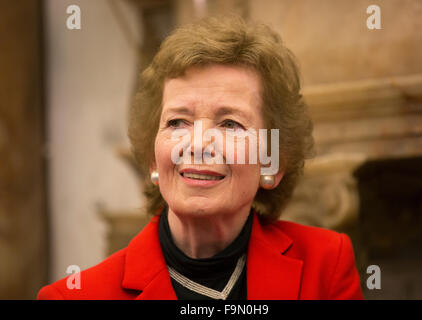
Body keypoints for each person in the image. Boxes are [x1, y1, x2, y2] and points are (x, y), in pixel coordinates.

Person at [38, 16, 363, 300]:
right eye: (178, 122)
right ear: (154, 159)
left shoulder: (326, 266)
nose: (197, 144)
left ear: (272, 160)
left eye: (230, 123)